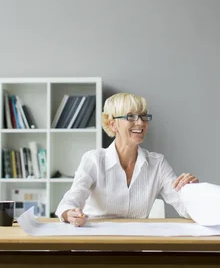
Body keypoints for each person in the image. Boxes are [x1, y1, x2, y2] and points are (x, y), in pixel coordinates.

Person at [56, 92, 199, 226]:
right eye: (130, 116)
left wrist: (192, 192)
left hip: (135, 248)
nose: (140, 123)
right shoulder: (94, 160)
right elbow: (70, 201)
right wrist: (70, 213)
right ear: (113, 124)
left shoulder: (157, 164)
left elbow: (186, 209)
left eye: (143, 116)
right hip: (97, 247)